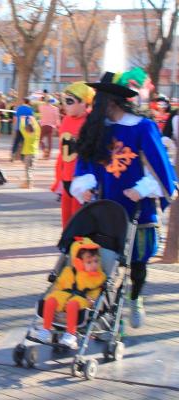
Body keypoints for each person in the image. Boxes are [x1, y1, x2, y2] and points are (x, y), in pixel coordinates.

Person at [71, 70, 177, 329]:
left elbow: (161, 166)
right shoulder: (98, 130)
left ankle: (135, 297)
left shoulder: (143, 127)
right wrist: (85, 186)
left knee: (138, 263)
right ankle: (108, 314)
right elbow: (86, 163)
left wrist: (143, 189)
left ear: (112, 102)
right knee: (104, 265)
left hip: (138, 207)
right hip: (106, 208)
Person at [34, 238, 106, 349]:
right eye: (89, 262)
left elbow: (96, 291)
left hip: (83, 300)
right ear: (79, 262)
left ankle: (70, 334)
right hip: (65, 295)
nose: (94, 265)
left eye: (96, 261)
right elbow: (59, 285)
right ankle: (46, 329)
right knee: (51, 299)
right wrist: (53, 292)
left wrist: (93, 301)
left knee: (73, 304)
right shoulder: (69, 271)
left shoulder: (97, 277)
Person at [52, 82, 95, 228]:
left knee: (80, 223)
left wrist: (91, 185)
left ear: (84, 102)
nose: (65, 105)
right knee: (67, 222)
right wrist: (59, 178)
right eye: (64, 100)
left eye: (70, 101)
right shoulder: (66, 120)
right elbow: (62, 153)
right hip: (66, 178)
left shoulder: (91, 122)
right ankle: (67, 249)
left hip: (82, 180)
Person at [19, 115, 41, 189]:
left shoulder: (26, 135)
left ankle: (28, 184)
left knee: (28, 169)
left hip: (28, 154)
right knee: (31, 169)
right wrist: (33, 120)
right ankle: (28, 183)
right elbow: (38, 128)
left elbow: (21, 128)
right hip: (35, 153)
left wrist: (22, 120)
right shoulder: (36, 134)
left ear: (27, 130)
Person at [38, 95, 60, 159]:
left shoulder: (41, 107)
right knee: (50, 141)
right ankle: (48, 156)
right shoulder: (55, 109)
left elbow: (40, 102)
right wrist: (57, 127)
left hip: (43, 126)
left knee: (39, 139)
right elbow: (57, 119)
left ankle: (44, 149)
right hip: (51, 127)